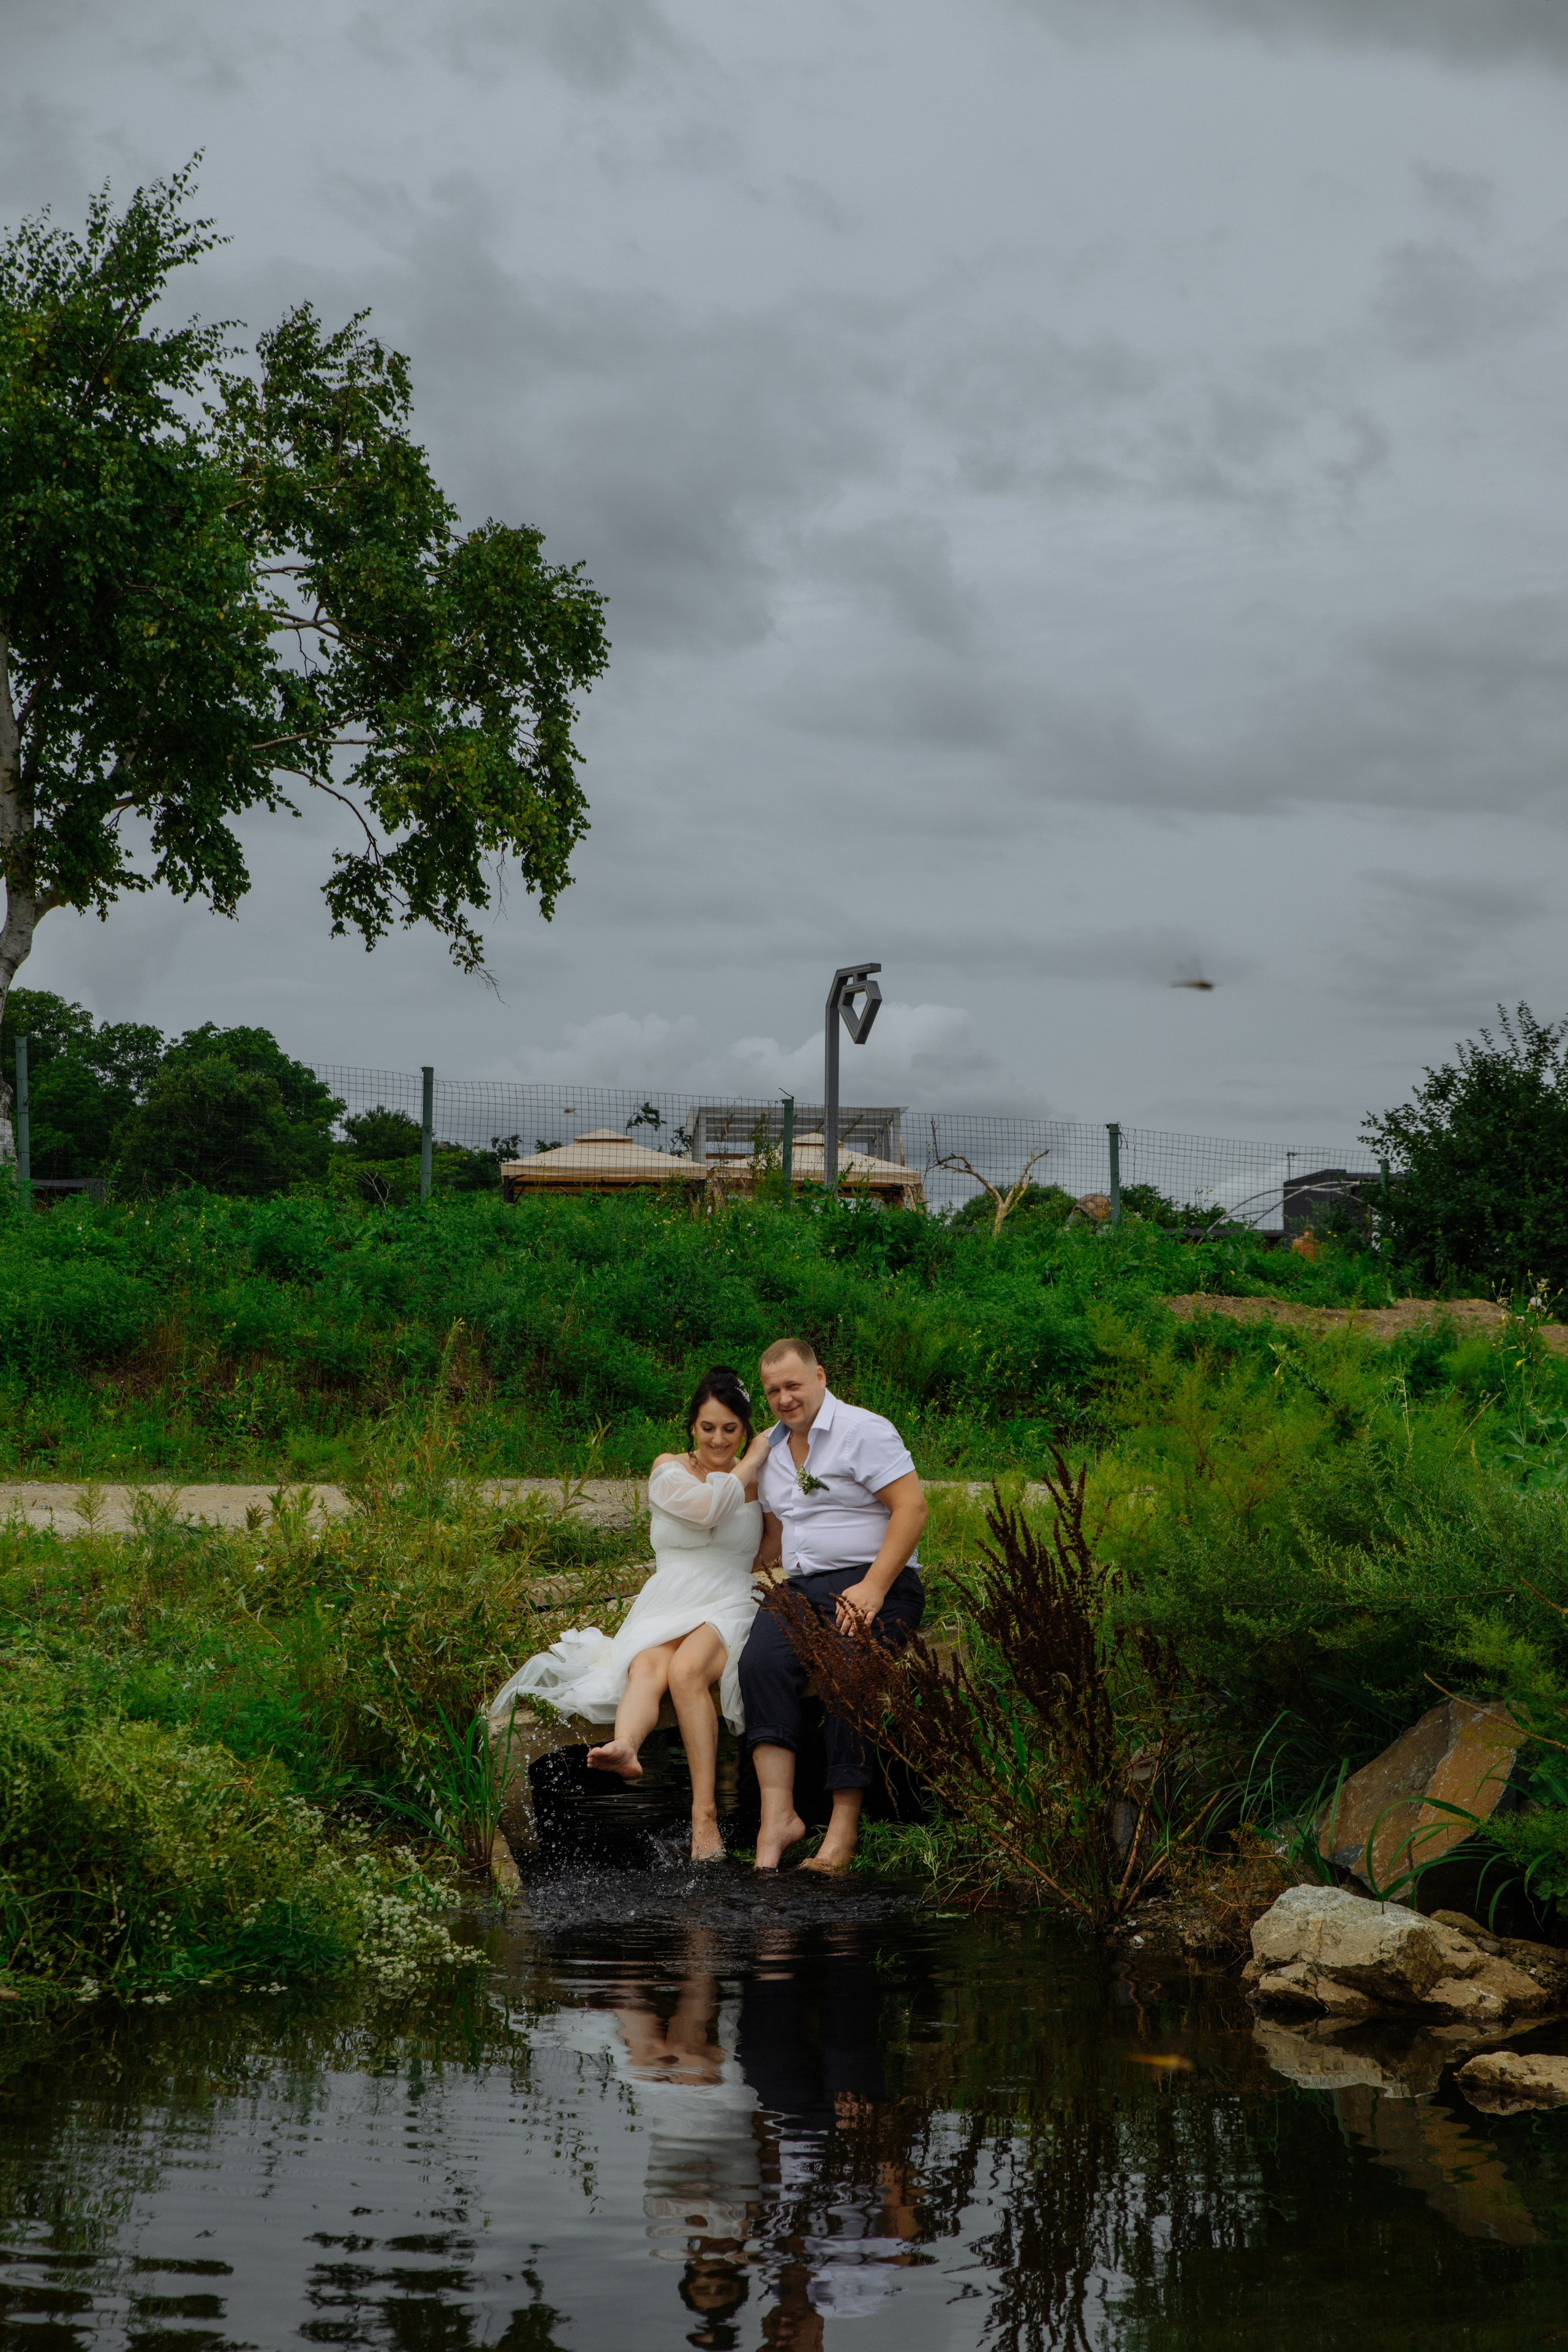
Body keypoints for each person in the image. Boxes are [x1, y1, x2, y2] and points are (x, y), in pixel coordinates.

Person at [489, 1367, 771, 1860]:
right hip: (669, 1598)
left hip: (728, 1599)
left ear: (744, 1427)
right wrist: (755, 1460)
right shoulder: (670, 1471)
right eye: (708, 1427)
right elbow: (707, 1510)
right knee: (645, 1665)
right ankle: (627, 1748)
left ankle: (704, 1817)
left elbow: (771, 1548)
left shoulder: (761, 1484)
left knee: (685, 1672)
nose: (719, 1439)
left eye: (731, 1429)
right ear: (691, 1428)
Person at [739, 1338, 928, 1872]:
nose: (784, 1398)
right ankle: (778, 1818)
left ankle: (842, 1830)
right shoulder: (771, 1451)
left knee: (849, 1667)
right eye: (773, 1390)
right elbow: (775, 1536)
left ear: (820, 1377)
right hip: (803, 1590)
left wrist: (873, 1586)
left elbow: (911, 1509)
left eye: (793, 1385)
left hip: (877, 1582)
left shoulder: (862, 1431)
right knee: (760, 1664)